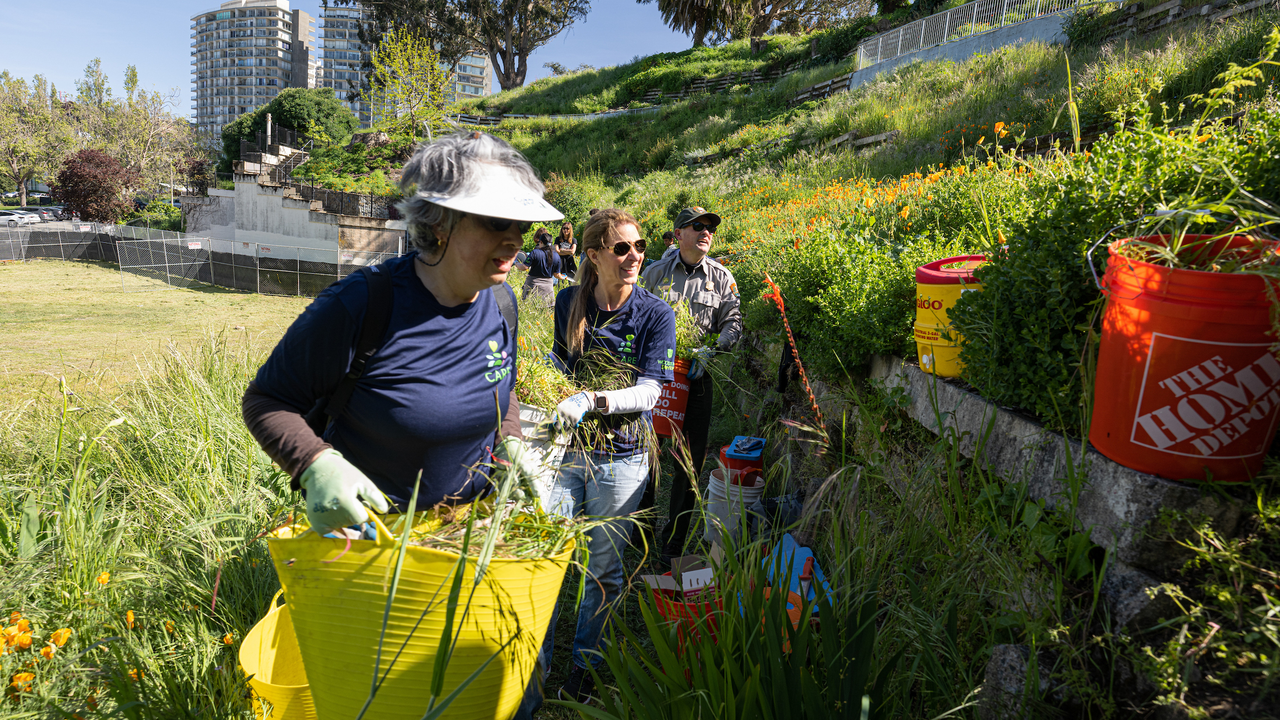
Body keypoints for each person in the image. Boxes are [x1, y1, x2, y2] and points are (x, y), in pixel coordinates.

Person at [241, 131, 563, 533]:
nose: (515, 239)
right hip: (369, 536)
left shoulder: (501, 305)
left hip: (467, 531)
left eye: (522, 224)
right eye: (497, 222)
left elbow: (500, 387)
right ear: (442, 221)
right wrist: (314, 464)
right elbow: (267, 400)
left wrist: (509, 439)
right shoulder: (362, 304)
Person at [524, 208, 676, 710]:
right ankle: (532, 674)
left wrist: (594, 400)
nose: (634, 256)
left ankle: (586, 671)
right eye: (622, 248)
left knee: (603, 572)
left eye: (639, 247)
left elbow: (652, 391)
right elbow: (559, 364)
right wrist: (542, 383)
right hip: (565, 452)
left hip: (621, 457)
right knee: (543, 562)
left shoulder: (655, 314)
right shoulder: (569, 301)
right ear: (594, 255)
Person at [641, 206, 742, 561]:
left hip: (696, 379)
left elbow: (733, 323)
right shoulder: (654, 273)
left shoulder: (721, 277)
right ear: (679, 233)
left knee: (688, 463)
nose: (706, 232)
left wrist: (711, 349)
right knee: (647, 457)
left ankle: (673, 542)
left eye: (710, 227)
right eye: (697, 226)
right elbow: (635, 317)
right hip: (655, 379)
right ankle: (640, 533)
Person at [517, 227, 560, 306]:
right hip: (548, 287)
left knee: (527, 306)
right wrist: (563, 277)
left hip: (533, 284)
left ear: (540, 242)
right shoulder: (556, 255)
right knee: (547, 310)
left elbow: (524, 267)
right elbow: (556, 275)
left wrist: (516, 263)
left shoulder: (535, 252)